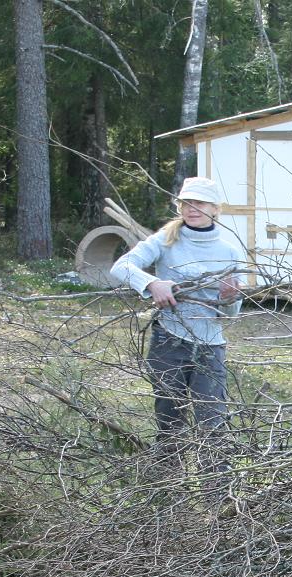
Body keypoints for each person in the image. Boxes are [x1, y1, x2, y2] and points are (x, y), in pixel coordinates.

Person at [111, 177, 243, 457]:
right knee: (170, 419)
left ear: (215, 208)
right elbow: (121, 267)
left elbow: (231, 314)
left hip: (210, 346)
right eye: (186, 203)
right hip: (168, 342)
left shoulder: (229, 251)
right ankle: (169, 489)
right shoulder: (164, 241)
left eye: (199, 202)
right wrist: (151, 284)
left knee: (212, 421)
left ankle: (218, 492)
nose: (192, 208)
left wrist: (231, 298)